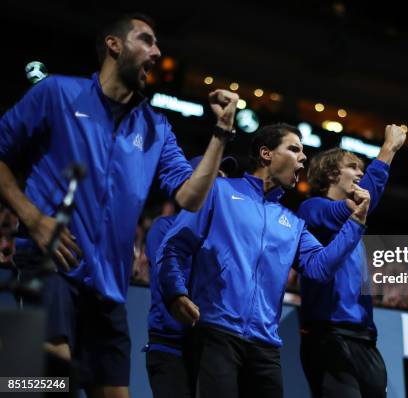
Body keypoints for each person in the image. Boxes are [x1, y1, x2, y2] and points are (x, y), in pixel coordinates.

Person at [0, 13, 238, 397]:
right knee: (45, 384)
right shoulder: (57, 93)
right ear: (114, 45)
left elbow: (190, 196)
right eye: (146, 40)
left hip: (109, 289)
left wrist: (222, 132)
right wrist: (32, 217)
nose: (158, 52)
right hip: (50, 266)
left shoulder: (156, 128)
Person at [158, 123, 372, 398]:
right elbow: (173, 246)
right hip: (216, 335)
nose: (303, 157)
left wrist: (355, 223)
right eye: (294, 149)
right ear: (266, 153)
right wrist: (175, 294)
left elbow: (320, 268)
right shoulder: (219, 192)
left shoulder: (292, 222)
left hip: (266, 347)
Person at [296, 124, 406, 398]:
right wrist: (388, 150)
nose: (360, 174)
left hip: (366, 339)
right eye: (353, 167)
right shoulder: (312, 208)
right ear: (332, 173)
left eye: (362, 169)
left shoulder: (356, 219)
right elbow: (350, 207)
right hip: (328, 336)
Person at [145, 156, 237, 398]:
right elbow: (168, 279)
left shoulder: (225, 238)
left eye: (226, 179)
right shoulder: (165, 227)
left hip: (211, 349)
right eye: (215, 177)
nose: (222, 184)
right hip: (170, 346)